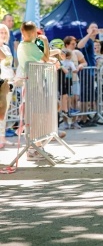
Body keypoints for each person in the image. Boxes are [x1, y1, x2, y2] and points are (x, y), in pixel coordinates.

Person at [17, 21, 51, 161]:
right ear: (31, 33)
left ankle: (36, 146)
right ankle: (33, 149)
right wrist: (45, 42)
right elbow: (46, 57)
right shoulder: (30, 46)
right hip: (34, 84)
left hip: (31, 83)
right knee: (36, 116)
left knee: (34, 116)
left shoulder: (22, 45)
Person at [76, 22, 102, 127]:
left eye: (96, 27)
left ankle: (85, 118)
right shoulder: (87, 40)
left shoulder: (92, 41)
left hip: (91, 71)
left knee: (89, 96)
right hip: (85, 71)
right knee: (85, 96)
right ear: (88, 30)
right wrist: (88, 34)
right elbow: (79, 45)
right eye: (92, 27)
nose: (94, 29)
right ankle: (83, 118)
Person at [0, 23, 15, 149]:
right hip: (1, 82)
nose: (3, 35)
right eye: (1, 32)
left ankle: (2, 137)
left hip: (9, 81)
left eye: (5, 33)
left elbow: (9, 64)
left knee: (4, 112)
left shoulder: (7, 47)